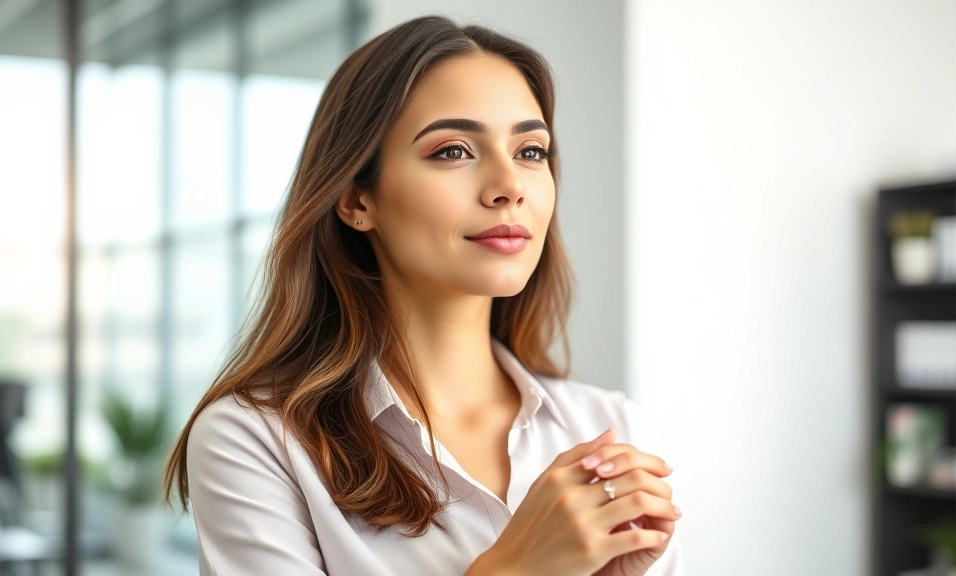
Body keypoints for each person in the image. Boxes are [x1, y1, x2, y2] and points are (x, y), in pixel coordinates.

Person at [163, 15, 684, 576]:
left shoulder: (611, 429)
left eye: (531, 151)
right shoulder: (255, 439)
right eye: (454, 150)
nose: (510, 185)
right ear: (356, 199)